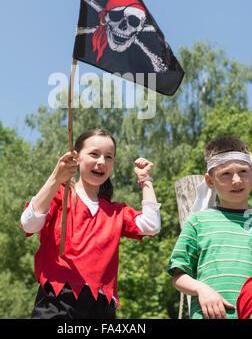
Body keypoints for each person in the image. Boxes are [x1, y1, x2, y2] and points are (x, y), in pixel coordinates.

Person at [21, 128, 161, 319]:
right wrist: (55, 178)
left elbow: (151, 225)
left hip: (101, 307)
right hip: (58, 300)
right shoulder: (59, 195)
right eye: (94, 154)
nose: (102, 162)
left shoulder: (116, 211)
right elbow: (29, 224)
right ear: (76, 158)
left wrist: (145, 179)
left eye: (109, 157)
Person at [167, 136, 252, 320]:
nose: (236, 180)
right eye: (226, 174)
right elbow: (178, 276)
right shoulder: (198, 222)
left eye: (243, 171)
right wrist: (201, 289)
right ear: (210, 181)